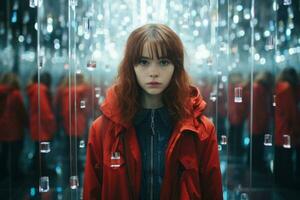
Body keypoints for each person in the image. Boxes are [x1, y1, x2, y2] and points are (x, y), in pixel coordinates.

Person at [83, 24, 223, 200]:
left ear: (176, 66)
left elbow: (213, 192)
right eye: (144, 62)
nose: (153, 72)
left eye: (164, 62)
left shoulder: (201, 130)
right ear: (131, 66)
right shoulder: (103, 130)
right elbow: (92, 192)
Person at [0, 72, 28, 180]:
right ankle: (15, 173)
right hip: (15, 127)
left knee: (4, 151)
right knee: (15, 152)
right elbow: (21, 111)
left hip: (2, 127)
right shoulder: (15, 94)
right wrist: (27, 123)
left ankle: (3, 173)